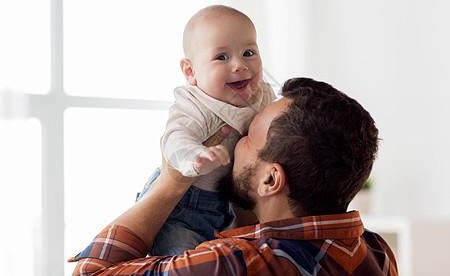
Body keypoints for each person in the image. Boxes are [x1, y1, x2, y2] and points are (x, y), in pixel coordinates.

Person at [69, 77, 398, 276]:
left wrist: (170, 183)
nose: (235, 140)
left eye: (249, 135)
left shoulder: (233, 265)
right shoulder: (376, 252)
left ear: (270, 180)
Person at [134, 5, 275, 255]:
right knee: (179, 261)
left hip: (227, 208)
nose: (239, 65)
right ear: (191, 72)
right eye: (222, 57)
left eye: (248, 52)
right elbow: (175, 137)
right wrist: (193, 155)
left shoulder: (262, 95)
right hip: (181, 209)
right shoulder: (196, 104)